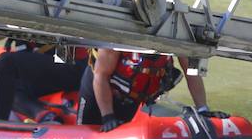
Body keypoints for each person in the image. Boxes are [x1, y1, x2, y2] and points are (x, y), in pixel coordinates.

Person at [79, 47, 209, 131]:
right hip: (97, 93)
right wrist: (108, 116)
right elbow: (101, 74)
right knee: (86, 131)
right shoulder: (119, 37)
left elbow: (191, 73)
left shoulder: (173, 34)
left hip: (131, 99)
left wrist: (203, 108)